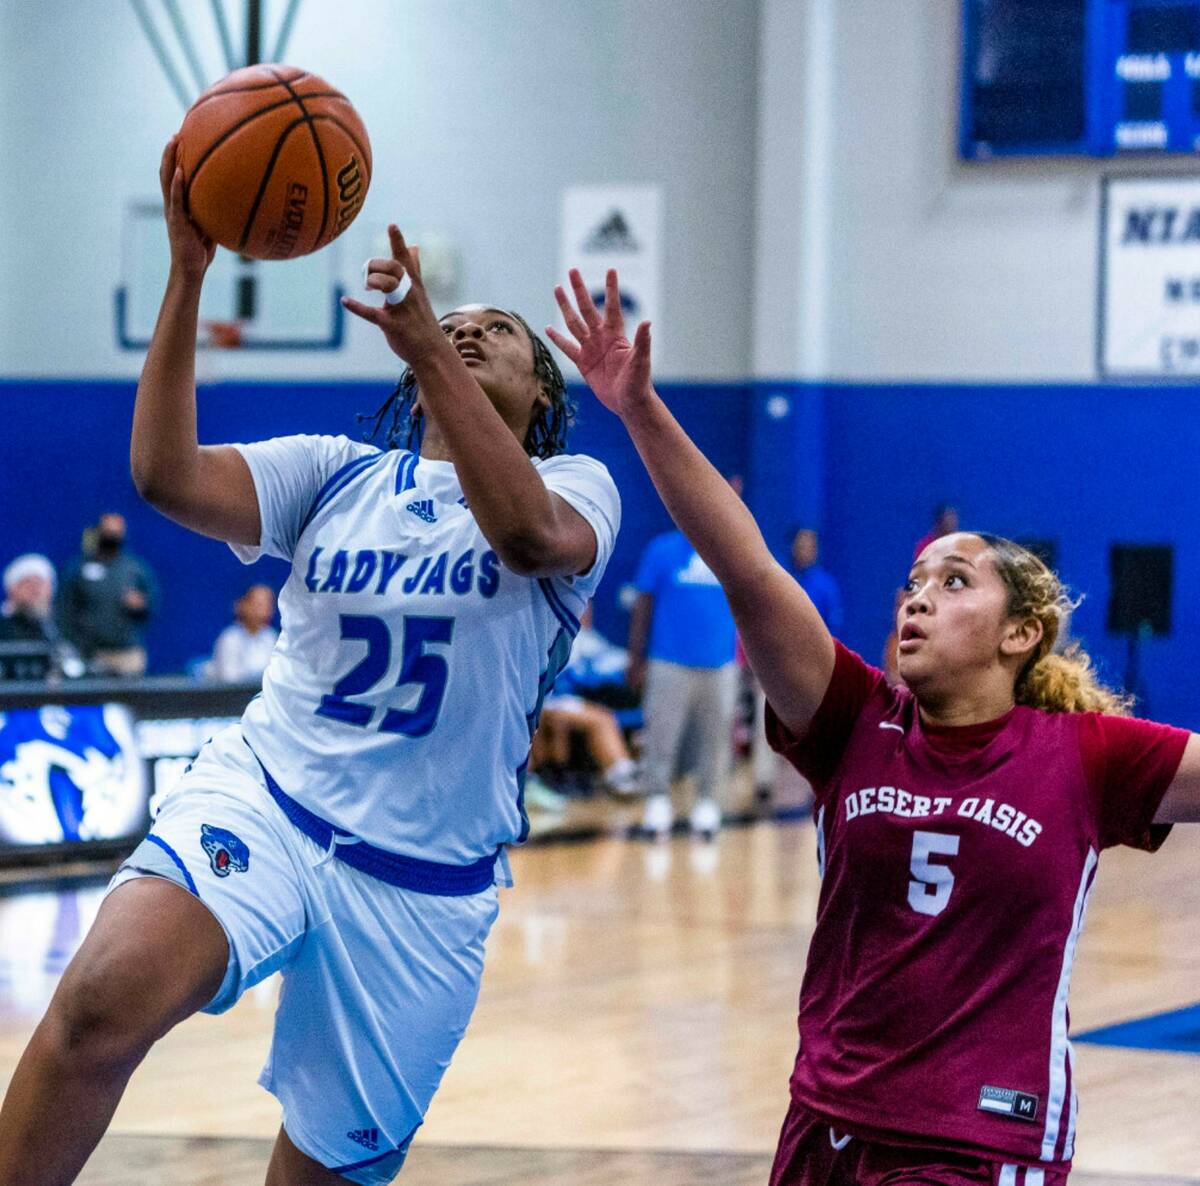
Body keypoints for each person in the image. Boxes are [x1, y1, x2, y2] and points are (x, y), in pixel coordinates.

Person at [0, 139, 619, 1186]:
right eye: (452, 328)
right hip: (271, 802)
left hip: (424, 883)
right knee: (102, 999)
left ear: (540, 394)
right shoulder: (336, 477)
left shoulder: (577, 485)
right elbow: (164, 475)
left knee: (320, 1175)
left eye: (494, 334)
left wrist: (427, 351)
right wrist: (189, 273)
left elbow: (525, 540)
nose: (466, 333)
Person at [548, 269, 1200, 1185]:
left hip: (979, 1143)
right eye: (915, 583)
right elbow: (747, 568)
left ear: (1021, 634)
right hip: (826, 1121)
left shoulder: (1084, 756)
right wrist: (640, 410)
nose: (919, 600)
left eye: (955, 582)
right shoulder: (853, 720)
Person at [627, 500, 738, 840]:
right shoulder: (661, 550)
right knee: (660, 735)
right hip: (669, 661)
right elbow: (642, 606)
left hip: (720, 663)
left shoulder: (728, 550)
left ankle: (707, 803)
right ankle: (657, 800)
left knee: (717, 738)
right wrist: (636, 658)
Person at [57, 512, 159, 676]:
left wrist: (140, 605)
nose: (112, 536)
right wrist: (76, 644)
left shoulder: (134, 569)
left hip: (127, 654)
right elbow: (65, 609)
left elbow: (152, 604)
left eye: (116, 532)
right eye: (108, 531)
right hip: (91, 653)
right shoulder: (79, 568)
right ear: (98, 531)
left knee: (129, 700)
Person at [0, 554, 82, 681]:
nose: (36, 590)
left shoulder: (62, 626)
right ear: (12, 589)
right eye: (28, 584)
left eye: (40, 584)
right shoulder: (3, 626)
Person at [209, 583, 279, 683]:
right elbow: (229, 679)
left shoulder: (271, 637)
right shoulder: (230, 639)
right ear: (242, 605)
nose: (264, 609)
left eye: (268, 604)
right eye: (258, 604)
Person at [789, 527, 842, 634]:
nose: (802, 551)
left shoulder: (826, 586)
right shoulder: (786, 578)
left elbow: (834, 624)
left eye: (807, 547)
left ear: (815, 550)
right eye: (800, 546)